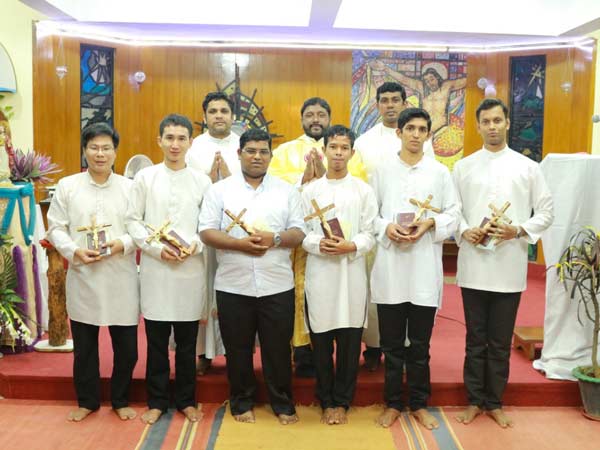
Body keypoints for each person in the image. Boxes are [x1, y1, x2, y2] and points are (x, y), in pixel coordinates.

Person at [453, 98, 553, 428]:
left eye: (498, 120)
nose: (492, 126)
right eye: (486, 121)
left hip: (509, 266)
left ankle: (494, 402)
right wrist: (464, 230)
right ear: (478, 126)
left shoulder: (528, 168)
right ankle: (473, 400)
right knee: (474, 340)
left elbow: (546, 212)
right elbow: (454, 211)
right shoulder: (464, 167)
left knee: (499, 342)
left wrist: (519, 229)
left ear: (508, 123)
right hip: (474, 265)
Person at [199, 128, 305, 425]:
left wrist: (275, 239)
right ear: (239, 153)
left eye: (263, 152)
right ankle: (241, 402)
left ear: (270, 156)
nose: (257, 157)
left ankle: (282, 403)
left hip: (277, 283)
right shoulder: (219, 191)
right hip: (234, 283)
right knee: (238, 349)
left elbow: (299, 231)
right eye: (251, 151)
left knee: (277, 349)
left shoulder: (287, 191)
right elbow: (206, 231)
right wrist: (238, 244)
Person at [370, 108, 459, 430]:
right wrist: (386, 227)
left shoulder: (440, 173)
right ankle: (393, 403)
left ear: (428, 135)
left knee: (420, 346)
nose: (416, 134)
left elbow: (454, 214)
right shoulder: (381, 170)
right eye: (410, 128)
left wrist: (431, 223)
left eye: (422, 129)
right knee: (392, 346)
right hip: (391, 268)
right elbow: (370, 214)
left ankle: (420, 403)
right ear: (399, 132)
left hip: (423, 269)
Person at [47, 123, 139, 422]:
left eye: (106, 148)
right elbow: (55, 227)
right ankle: (87, 401)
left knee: (127, 349)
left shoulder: (130, 188)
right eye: (94, 147)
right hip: (83, 275)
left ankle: (120, 400)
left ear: (115, 152)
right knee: (85, 348)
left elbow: (140, 228)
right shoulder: (68, 186)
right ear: (85, 150)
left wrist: (122, 243)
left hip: (120, 275)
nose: (100, 154)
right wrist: (74, 250)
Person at [269, 97, 366, 377]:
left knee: (334, 299)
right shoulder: (285, 151)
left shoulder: (348, 151)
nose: (315, 119)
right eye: (309, 114)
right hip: (298, 244)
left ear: (329, 118)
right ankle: (302, 354)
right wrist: (302, 180)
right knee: (298, 295)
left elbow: (357, 183)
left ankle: (335, 354)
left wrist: (326, 179)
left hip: (339, 243)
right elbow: (274, 188)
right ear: (301, 119)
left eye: (321, 114)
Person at [126, 113, 211, 425]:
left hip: (190, 269)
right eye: (170, 138)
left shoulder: (202, 181)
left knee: (187, 345)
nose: (175, 144)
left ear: (190, 142)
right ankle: (157, 401)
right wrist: (155, 249)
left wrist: (193, 246)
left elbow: (207, 224)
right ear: (159, 140)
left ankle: (187, 401)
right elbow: (132, 220)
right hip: (156, 270)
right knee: (157, 343)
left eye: (181, 138)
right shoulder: (145, 178)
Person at [354, 82, 435, 372]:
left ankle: (410, 353)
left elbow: (431, 187)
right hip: (380, 234)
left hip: (417, 235)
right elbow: (363, 190)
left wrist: (425, 222)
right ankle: (374, 348)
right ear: (377, 105)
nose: (390, 105)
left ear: (403, 103)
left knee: (414, 297)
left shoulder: (426, 147)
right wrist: (383, 226)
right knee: (378, 293)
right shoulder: (364, 142)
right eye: (384, 100)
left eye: (395, 100)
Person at [301, 125, 377, 425]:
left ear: (352, 153)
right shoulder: (310, 191)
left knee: (349, 343)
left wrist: (352, 245)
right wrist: (317, 244)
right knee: (321, 343)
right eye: (333, 147)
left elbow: (371, 232)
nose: (338, 153)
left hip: (352, 275)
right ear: (324, 151)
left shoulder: (363, 191)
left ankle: (343, 401)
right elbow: (301, 231)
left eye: (344, 148)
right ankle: (326, 400)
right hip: (320, 275)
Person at [186, 91, 240, 375]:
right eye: (213, 111)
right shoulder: (193, 149)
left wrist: (229, 179)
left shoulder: (243, 146)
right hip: (204, 234)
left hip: (235, 234)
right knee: (204, 289)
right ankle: (203, 353)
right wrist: (209, 181)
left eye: (224, 111)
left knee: (233, 292)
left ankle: (234, 351)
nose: (219, 116)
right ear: (204, 116)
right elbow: (189, 192)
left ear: (233, 116)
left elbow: (250, 189)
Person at [370, 62, 467, 134]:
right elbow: (404, 79)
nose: (429, 83)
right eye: (427, 81)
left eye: (432, 79)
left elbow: (466, 81)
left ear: (437, 77)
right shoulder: (422, 88)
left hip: (442, 129)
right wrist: (386, 69)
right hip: (423, 130)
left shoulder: (446, 86)